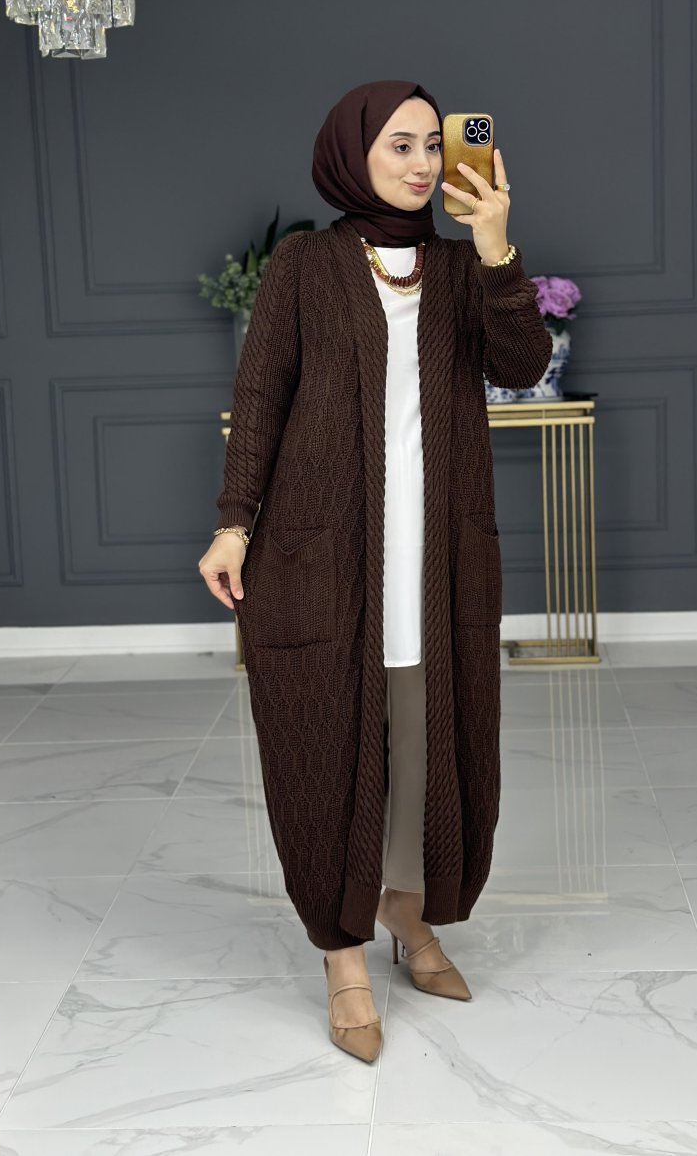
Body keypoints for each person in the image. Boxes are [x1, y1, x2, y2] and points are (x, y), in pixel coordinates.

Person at [198, 80, 552, 1063]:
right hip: (324, 555)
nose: (423, 163)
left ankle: (407, 907)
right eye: (400, 144)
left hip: (436, 560)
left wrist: (495, 243)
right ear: (352, 152)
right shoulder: (305, 266)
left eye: (434, 145)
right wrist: (233, 524)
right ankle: (341, 949)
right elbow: (260, 397)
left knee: (426, 745)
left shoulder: (460, 268)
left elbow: (522, 364)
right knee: (326, 745)